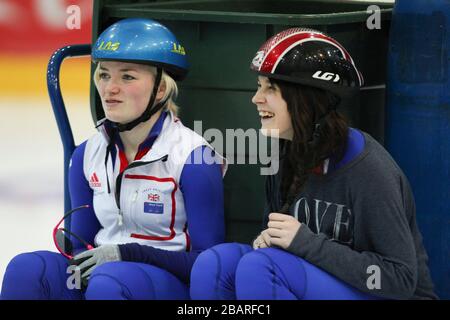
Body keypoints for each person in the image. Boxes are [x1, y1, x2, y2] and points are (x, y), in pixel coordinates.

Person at [189, 28, 437, 300]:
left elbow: (399, 279)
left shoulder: (369, 169)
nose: (256, 98)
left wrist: (304, 243)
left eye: (270, 88)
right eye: (259, 86)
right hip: (322, 281)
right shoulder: (286, 153)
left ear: (306, 99)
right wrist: (269, 239)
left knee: (262, 267)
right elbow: (281, 243)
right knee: (213, 264)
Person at [1, 18, 226, 300]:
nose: (110, 88)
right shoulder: (87, 154)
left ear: (160, 89)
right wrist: (81, 257)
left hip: (169, 283)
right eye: (104, 75)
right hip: (104, 281)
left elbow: (209, 265)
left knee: (110, 282)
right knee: (28, 269)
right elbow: (80, 245)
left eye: (127, 77)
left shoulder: (193, 157)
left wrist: (124, 254)